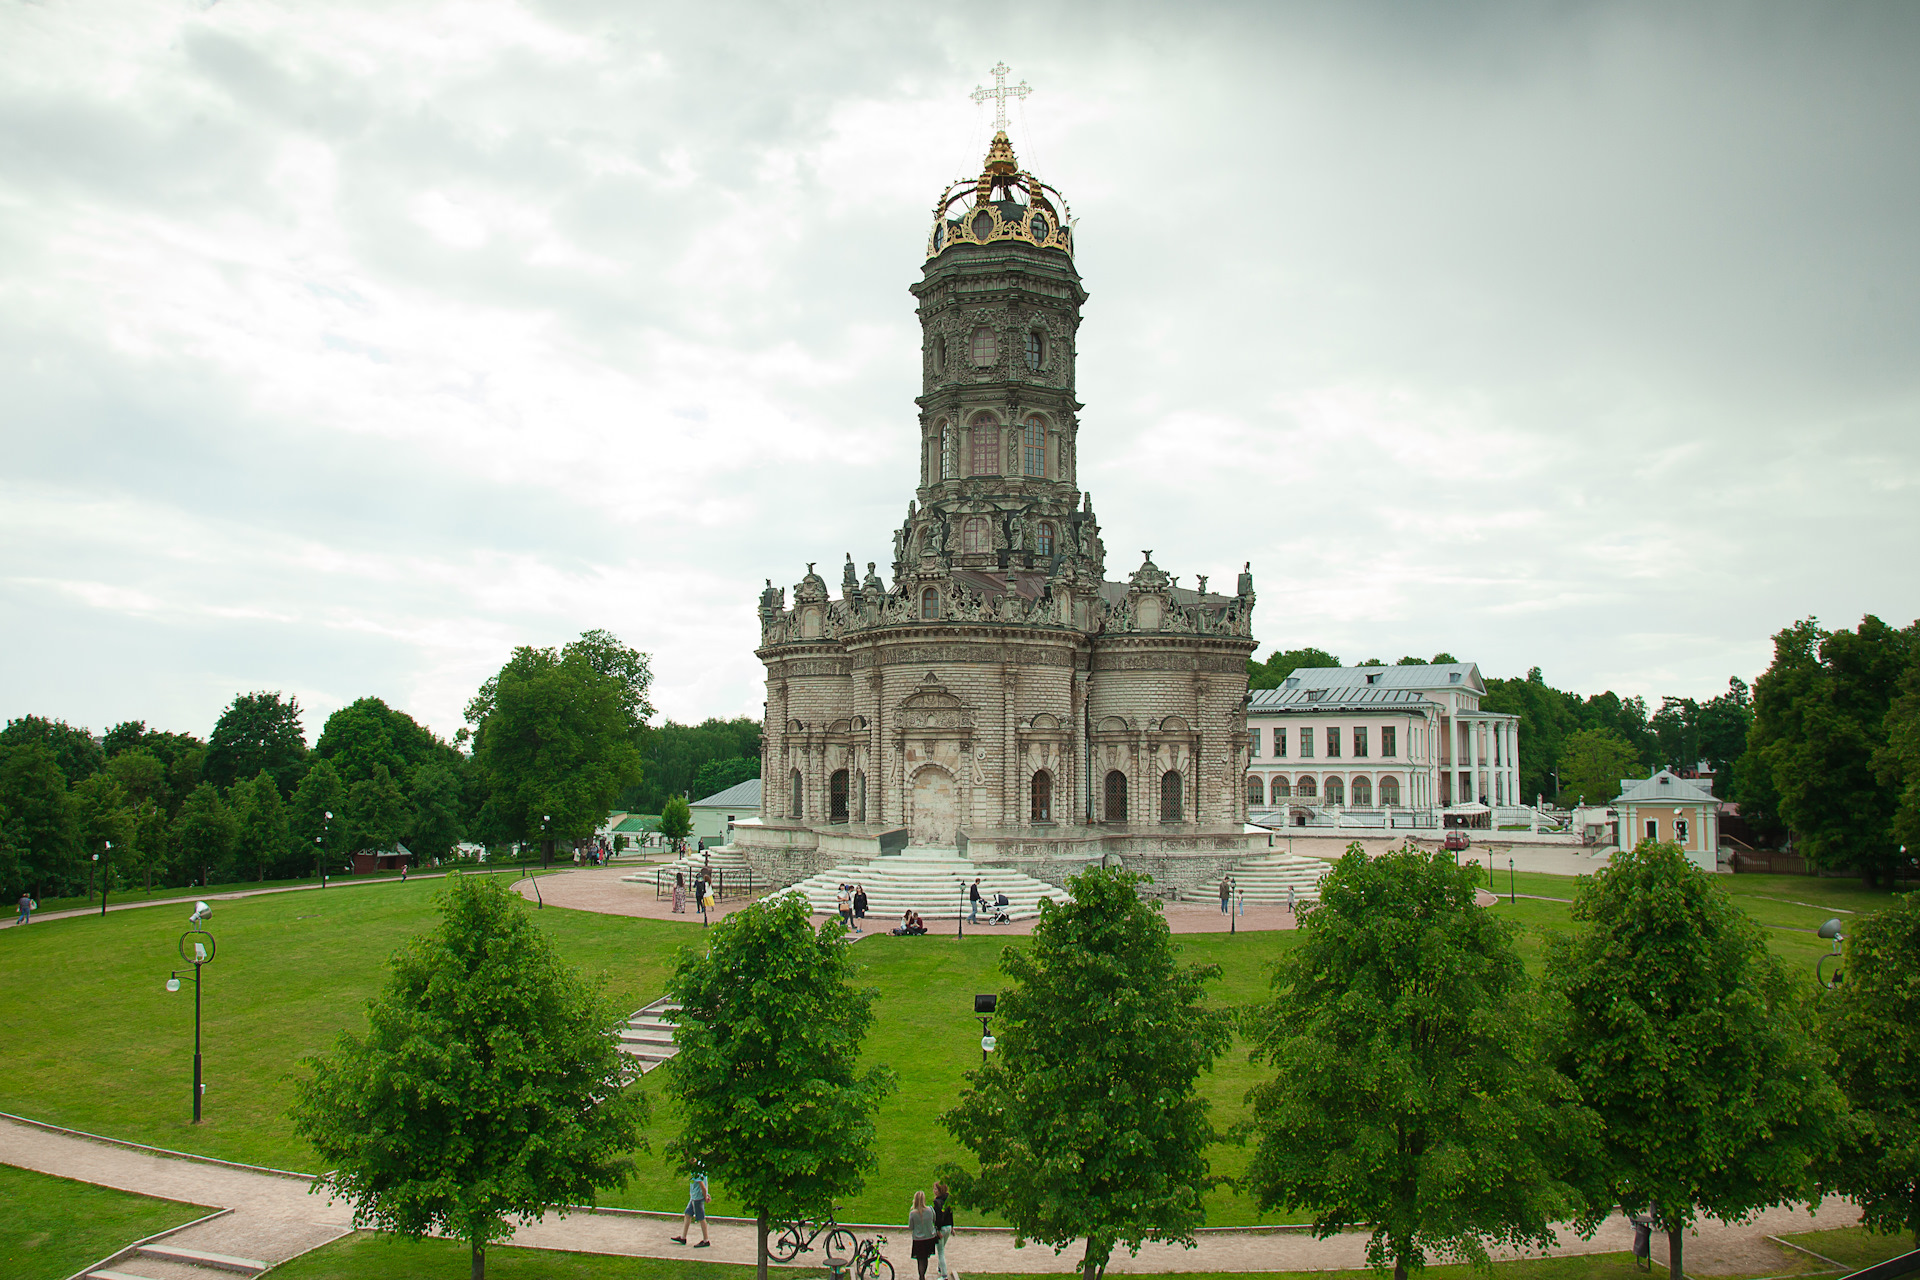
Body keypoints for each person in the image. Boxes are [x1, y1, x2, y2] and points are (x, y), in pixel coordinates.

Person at [672, 1166, 711, 1247]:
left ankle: (706, 1240)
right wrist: (706, 1194)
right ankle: (683, 1237)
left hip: (697, 1198)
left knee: (701, 1218)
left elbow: (702, 1186)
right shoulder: (701, 1166)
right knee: (687, 1214)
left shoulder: (695, 1171)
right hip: (694, 1197)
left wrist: (705, 1196)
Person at [909, 1189, 938, 1280]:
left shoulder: (913, 1213)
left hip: (918, 1239)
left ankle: (921, 1275)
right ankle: (922, 1275)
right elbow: (934, 1220)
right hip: (929, 1237)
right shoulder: (930, 1210)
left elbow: (911, 1227)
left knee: (919, 1259)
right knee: (925, 1258)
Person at [932, 1181, 955, 1278]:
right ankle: (940, 1267)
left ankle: (944, 1275)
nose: (934, 1191)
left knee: (940, 1251)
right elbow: (950, 1214)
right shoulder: (948, 1200)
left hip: (942, 1228)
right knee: (942, 1249)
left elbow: (938, 1218)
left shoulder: (937, 1202)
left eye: (935, 1189)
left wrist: (937, 1230)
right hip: (948, 1227)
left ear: (940, 1190)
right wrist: (952, 1227)